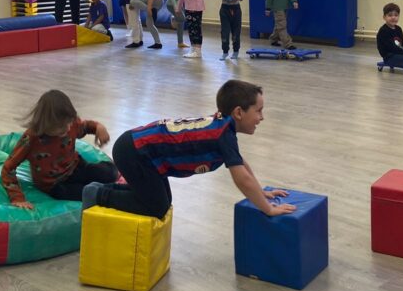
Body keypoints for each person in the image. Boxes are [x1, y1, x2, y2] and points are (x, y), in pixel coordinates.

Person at [81, 79, 295, 220]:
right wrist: (268, 209)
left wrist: (261, 193)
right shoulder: (223, 134)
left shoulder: (222, 126)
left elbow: (241, 165)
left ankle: (104, 189)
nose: (262, 117)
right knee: (156, 208)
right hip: (135, 153)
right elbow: (242, 179)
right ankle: (98, 193)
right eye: (259, 111)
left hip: (142, 152)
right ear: (239, 112)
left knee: (162, 201)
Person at [1, 89, 117, 209]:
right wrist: (17, 198)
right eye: (62, 127)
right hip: (54, 184)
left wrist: (98, 127)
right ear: (46, 124)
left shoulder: (70, 124)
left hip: (76, 167)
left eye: (69, 123)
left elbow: (85, 126)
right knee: (85, 193)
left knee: (109, 172)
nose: (68, 128)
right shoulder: (31, 139)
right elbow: (8, 168)